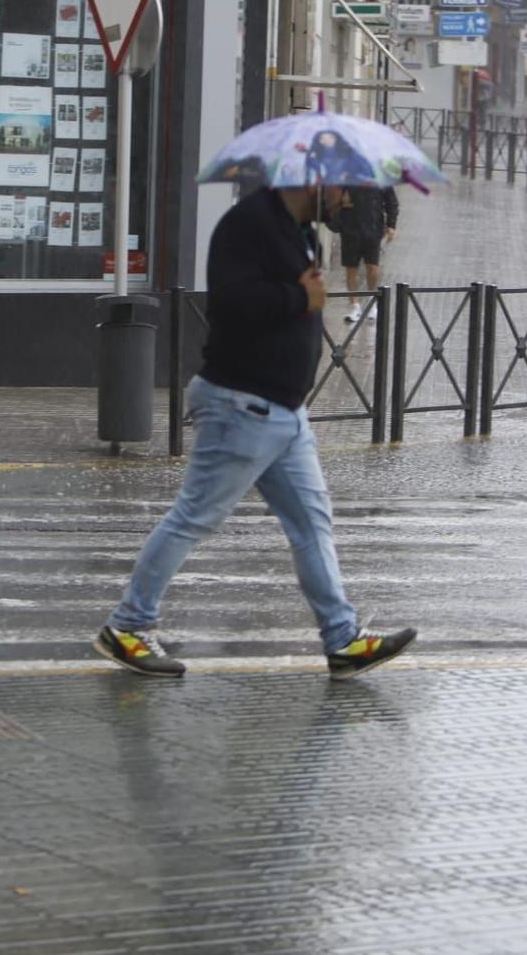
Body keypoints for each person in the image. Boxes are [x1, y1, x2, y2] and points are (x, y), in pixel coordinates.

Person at [95, 177, 417, 680]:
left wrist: (301, 296)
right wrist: (299, 296)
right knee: (193, 517)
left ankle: (343, 639)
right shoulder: (247, 224)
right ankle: (128, 626)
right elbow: (232, 302)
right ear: (316, 180)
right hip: (241, 404)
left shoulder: (300, 231)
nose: (348, 201)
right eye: (343, 190)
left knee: (312, 525)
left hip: (285, 414)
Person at [328, 185, 398, 322]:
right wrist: (340, 204)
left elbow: (391, 201)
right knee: (351, 270)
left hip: (372, 230)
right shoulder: (346, 177)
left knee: (372, 267)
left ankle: (372, 302)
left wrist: (391, 225)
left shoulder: (379, 178)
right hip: (350, 231)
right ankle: (354, 306)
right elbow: (330, 201)